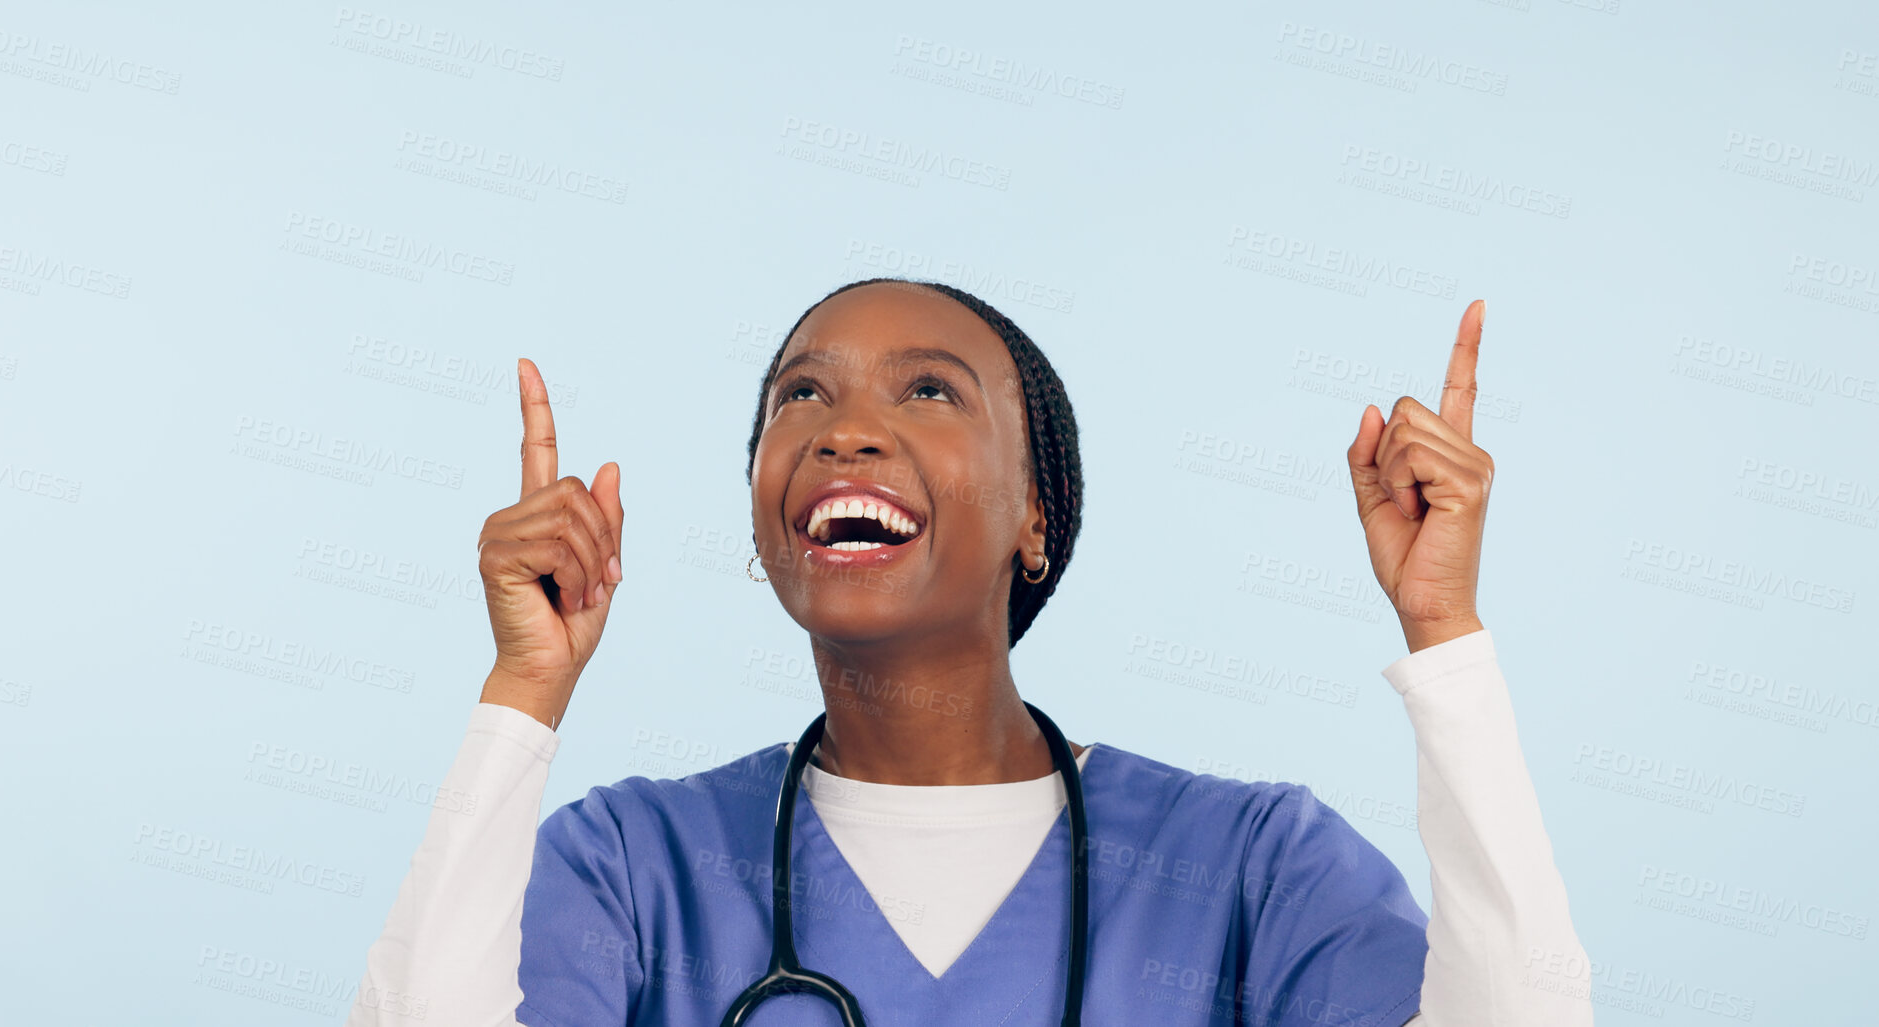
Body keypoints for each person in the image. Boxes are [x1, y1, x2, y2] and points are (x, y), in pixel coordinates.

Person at [343, 279, 1592, 1026]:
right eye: (801, 398)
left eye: (930, 392)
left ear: (1036, 513)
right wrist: (523, 692)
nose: (848, 433)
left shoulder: (1250, 870)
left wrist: (1446, 636)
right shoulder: (636, 870)